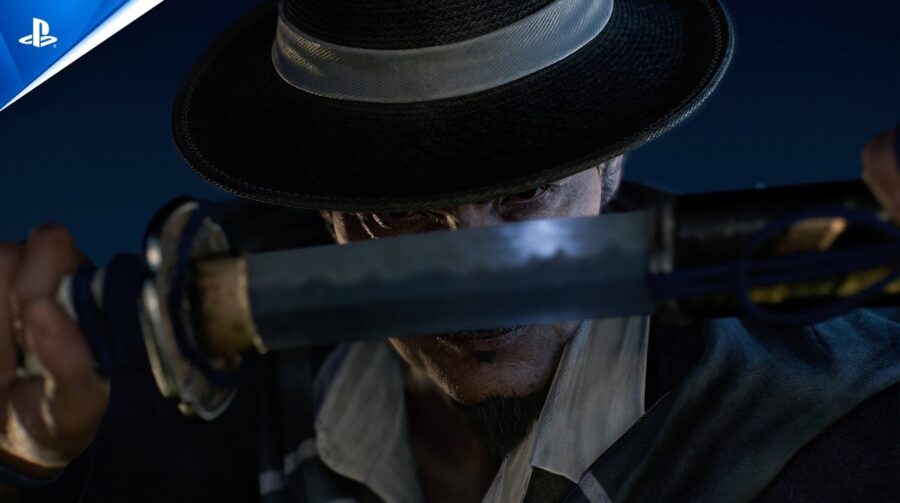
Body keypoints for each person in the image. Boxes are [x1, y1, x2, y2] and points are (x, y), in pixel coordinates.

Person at [1, 0, 898, 501]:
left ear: (611, 162)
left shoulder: (833, 432)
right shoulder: (201, 397)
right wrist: (29, 463)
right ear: (327, 213)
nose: (477, 284)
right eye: (402, 214)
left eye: (525, 191)